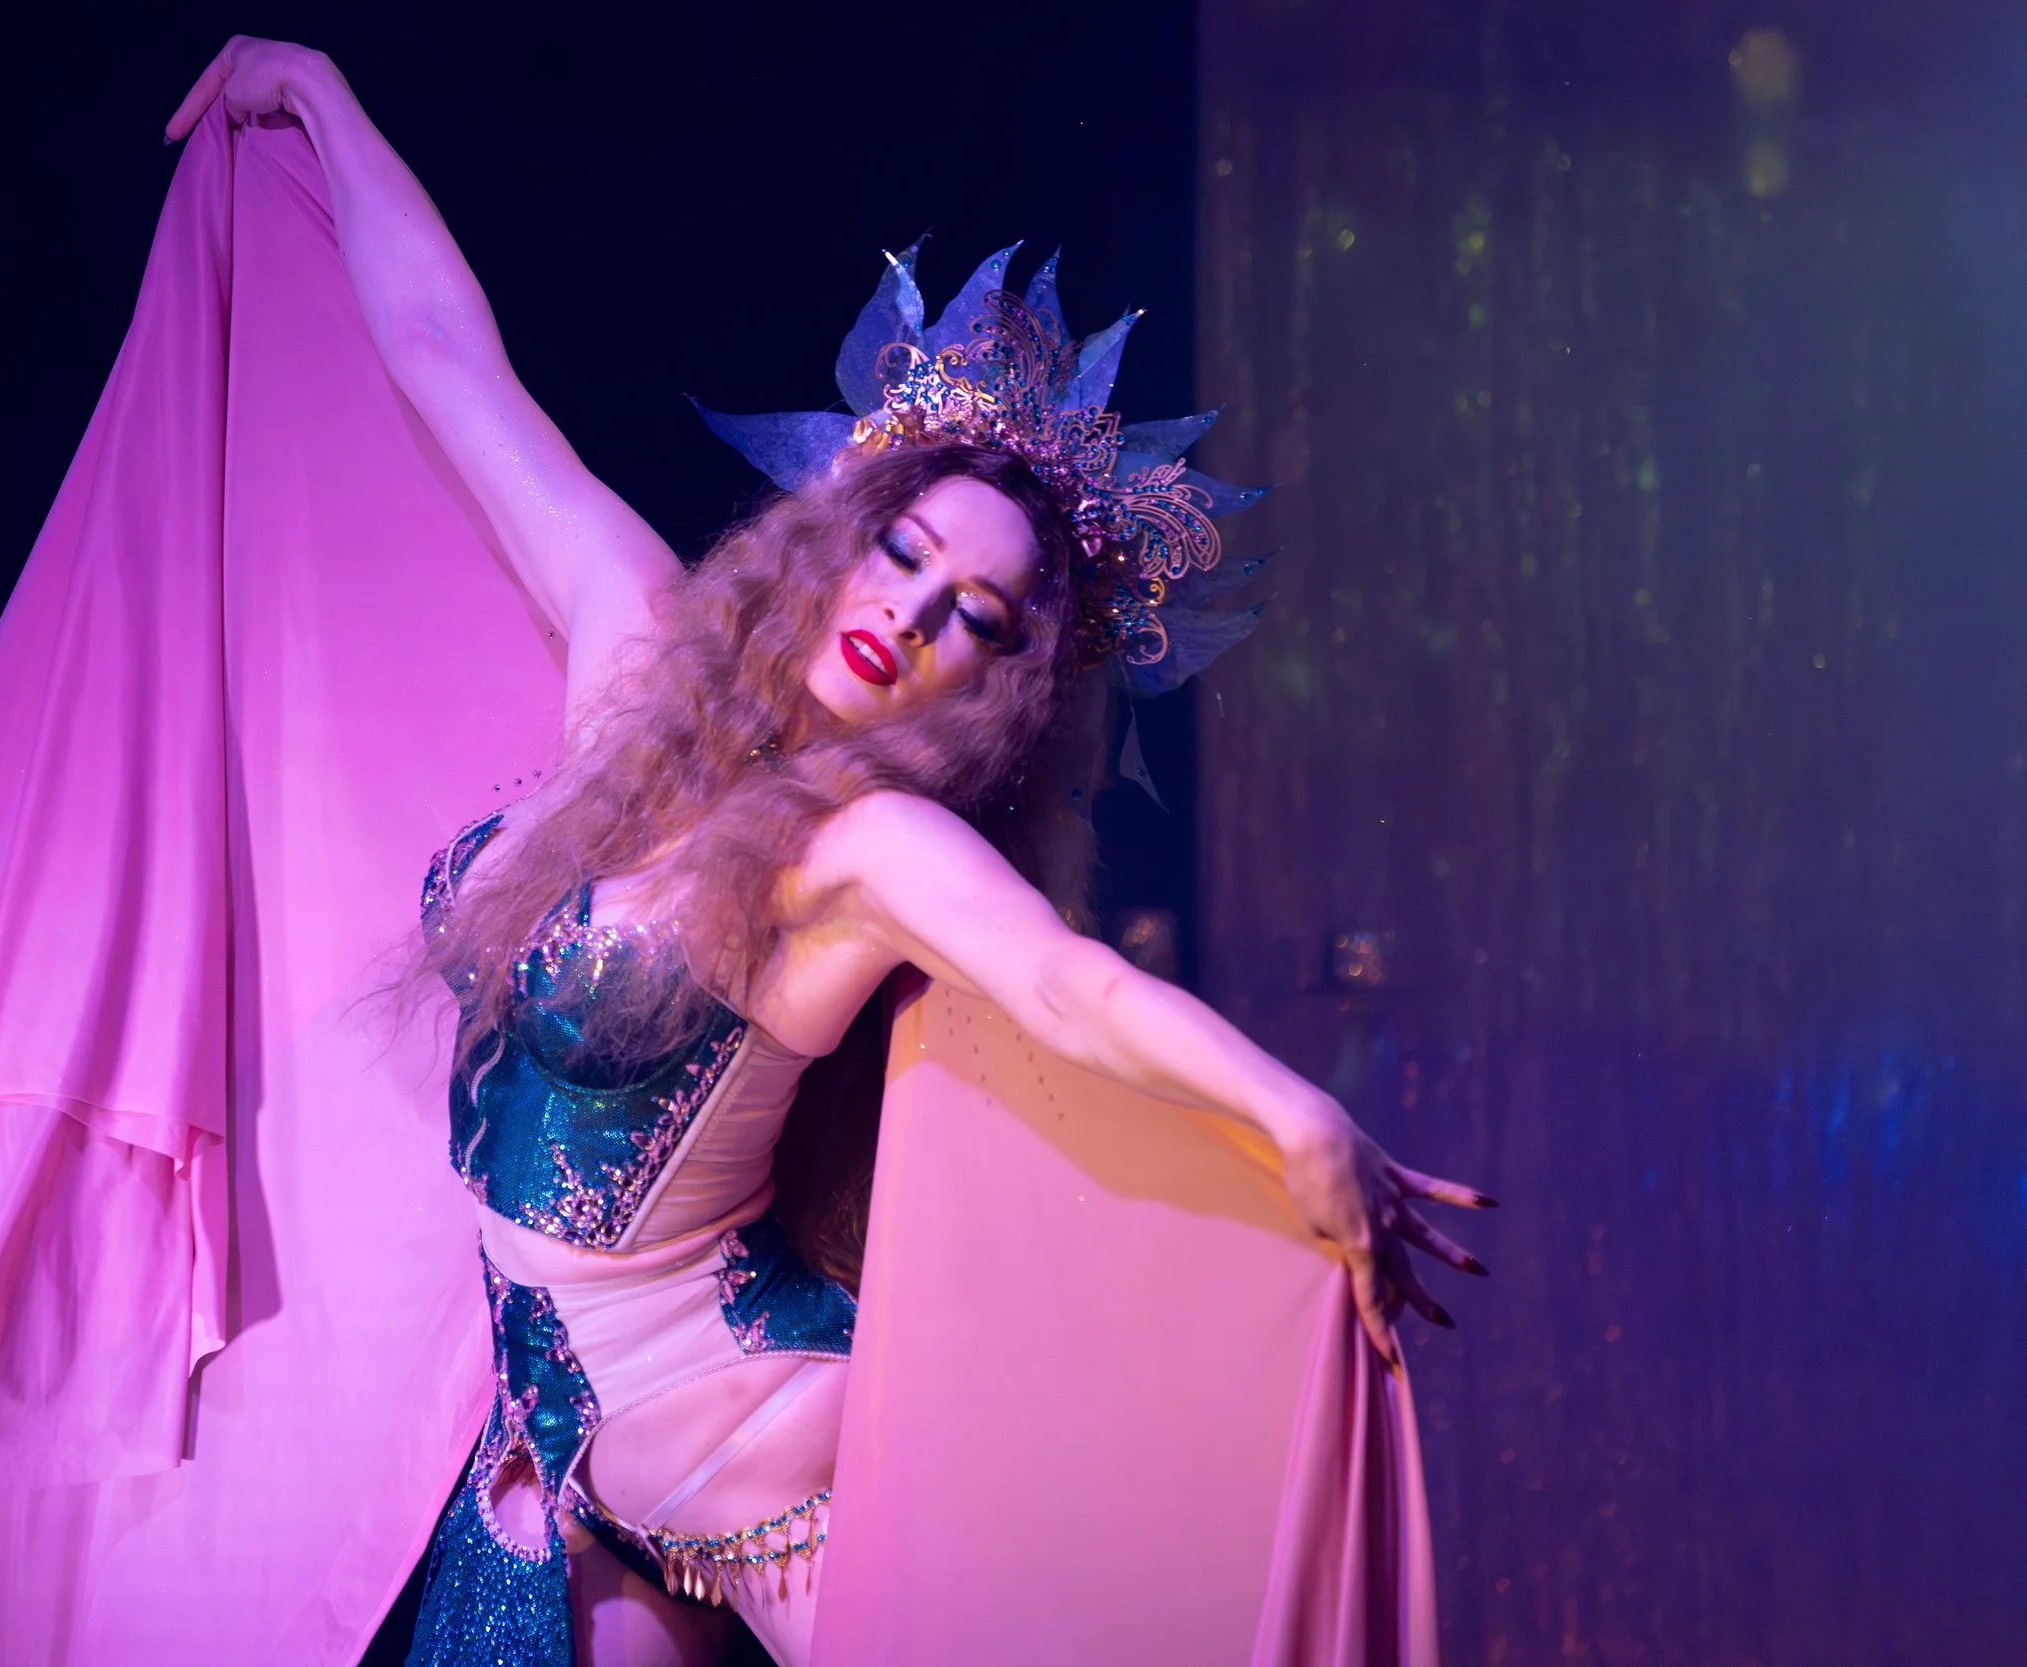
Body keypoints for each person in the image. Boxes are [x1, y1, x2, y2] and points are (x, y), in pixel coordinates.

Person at [161, 37, 1489, 1667]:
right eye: (907, 553)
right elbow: (447, 360)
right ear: (841, 531)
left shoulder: (861, 852)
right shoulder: (634, 659)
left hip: (746, 1449)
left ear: (989, 691)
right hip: (549, 1447)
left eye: (971, 620)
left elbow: (1067, 988)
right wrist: (316, 92)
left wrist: (1299, 1118)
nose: (911, 615)